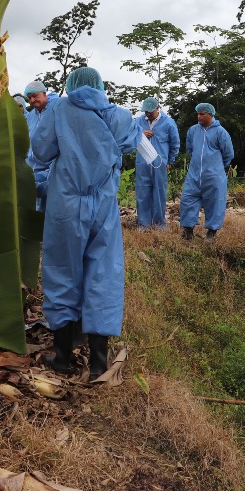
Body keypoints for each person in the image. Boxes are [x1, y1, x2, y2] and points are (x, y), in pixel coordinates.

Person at [31, 67, 141, 380]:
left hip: (66, 203)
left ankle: (63, 356)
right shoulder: (120, 115)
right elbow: (131, 147)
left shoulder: (59, 109)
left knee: (63, 271)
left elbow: (40, 153)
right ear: (100, 85)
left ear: (70, 86)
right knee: (103, 274)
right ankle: (97, 365)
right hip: (104, 205)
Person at [179, 103, 234, 240]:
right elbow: (190, 149)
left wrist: (217, 167)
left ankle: (211, 232)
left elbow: (228, 154)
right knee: (187, 199)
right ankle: (188, 231)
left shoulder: (221, 132)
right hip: (194, 173)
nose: (199, 116)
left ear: (210, 115)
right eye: (198, 113)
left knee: (215, 201)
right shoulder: (193, 130)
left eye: (202, 114)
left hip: (213, 175)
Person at [133, 97, 180, 228]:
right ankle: (143, 224)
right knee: (142, 193)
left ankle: (159, 224)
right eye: (145, 111)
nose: (147, 114)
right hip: (142, 163)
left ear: (157, 108)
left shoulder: (169, 123)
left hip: (160, 163)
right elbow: (130, 136)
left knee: (159, 192)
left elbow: (175, 144)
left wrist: (170, 161)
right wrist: (140, 133)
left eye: (150, 111)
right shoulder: (138, 122)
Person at [25, 81, 58, 210]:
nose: (32, 100)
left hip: (51, 171)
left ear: (44, 93)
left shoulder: (56, 108)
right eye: (29, 98)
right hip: (34, 172)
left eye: (35, 96)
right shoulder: (32, 116)